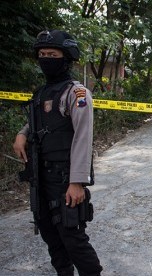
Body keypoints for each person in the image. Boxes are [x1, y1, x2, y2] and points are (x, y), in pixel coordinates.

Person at [12, 30, 102, 276]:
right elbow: (39, 123)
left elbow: (83, 138)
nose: (45, 58)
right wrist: (22, 133)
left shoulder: (77, 93)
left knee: (72, 237)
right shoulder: (41, 92)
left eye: (52, 54)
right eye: (42, 54)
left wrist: (77, 182)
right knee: (51, 237)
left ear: (66, 57)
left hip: (65, 179)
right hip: (40, 177)